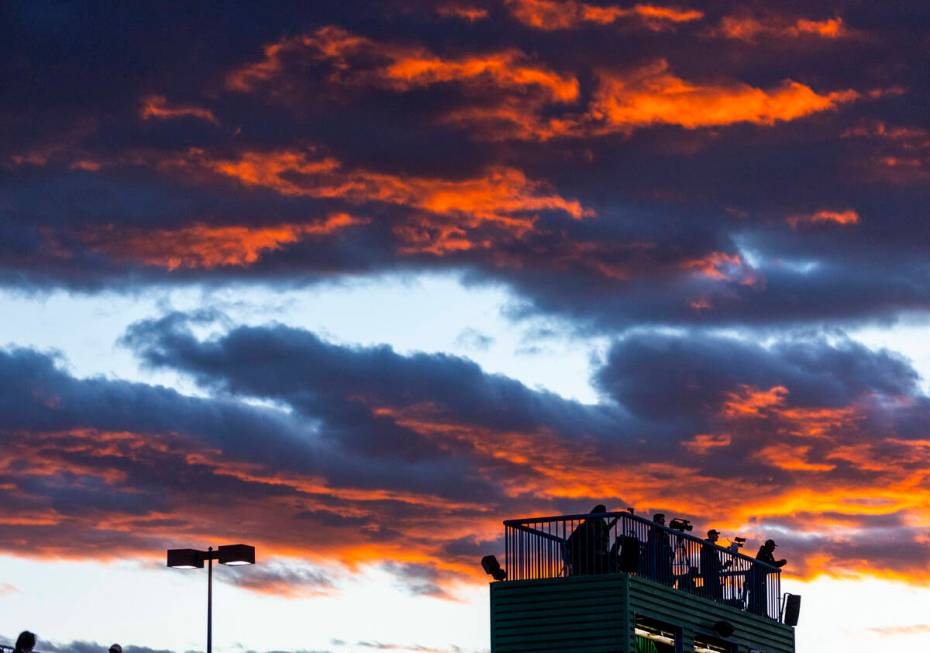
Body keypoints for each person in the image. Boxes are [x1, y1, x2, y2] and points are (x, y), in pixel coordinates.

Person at [566, 504, 611, 575]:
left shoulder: (590, 526)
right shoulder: (585, 528)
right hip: (587, 559)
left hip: (590, 557)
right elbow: (570, 542)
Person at [749, 539, 787, 616]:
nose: (774, 548)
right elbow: (770, 564)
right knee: (755, 594)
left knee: (761, 595)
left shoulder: (768, 553)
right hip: (755, 577)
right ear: (770, 546)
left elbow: (772, 564)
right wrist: (781, 563)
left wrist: (780, 563)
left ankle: (762, 612)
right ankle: (753, 610)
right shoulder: (764, 553)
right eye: (773, 546)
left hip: (760, 578)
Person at [700, 529, 731, 601]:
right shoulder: (707, 544)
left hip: (714, 573)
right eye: (716, 535)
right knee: (710, 592)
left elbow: (716, 564)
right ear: (711, 535)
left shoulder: (713, 547)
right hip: (708, 573)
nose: (717, 536)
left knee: (716, 592)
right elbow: (709, 561)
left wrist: (724, 566)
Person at [643, 513, 673, 584]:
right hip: (657, 558)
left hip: (663, 558)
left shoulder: (663, 532)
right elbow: (654, 541)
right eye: (662, 519)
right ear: (657, 521)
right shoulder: (653, 530)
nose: (664, 521)